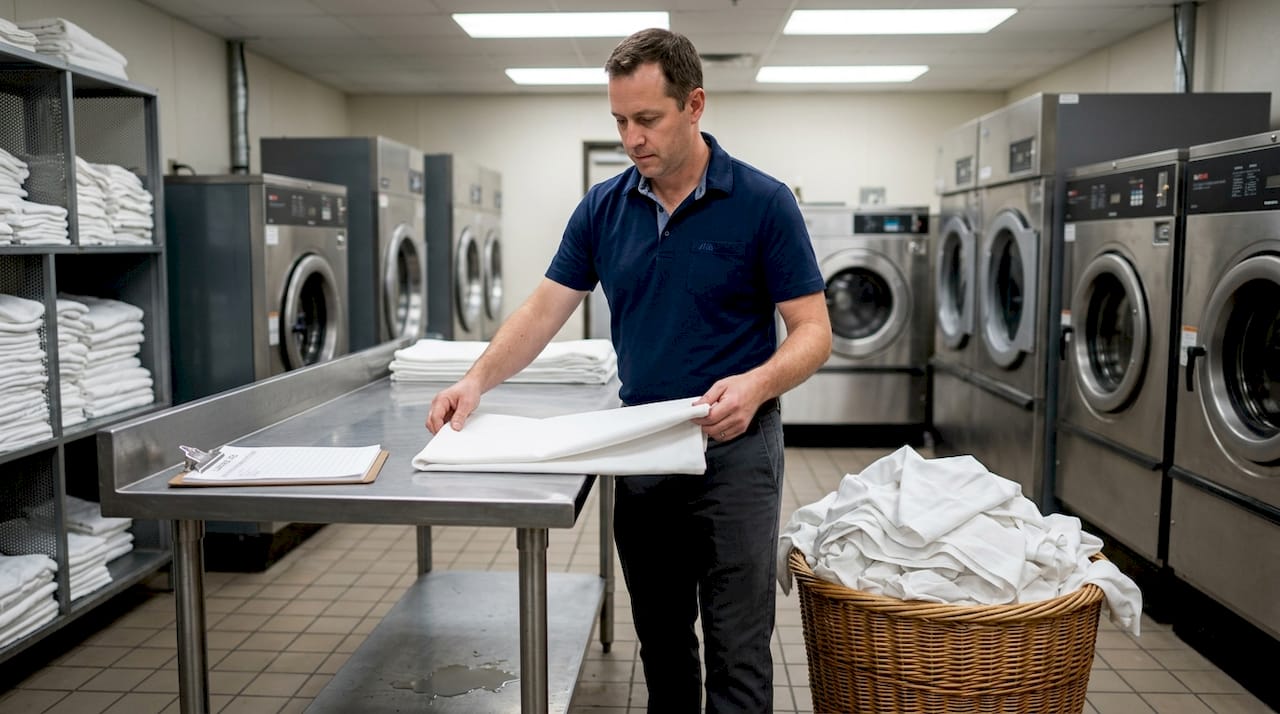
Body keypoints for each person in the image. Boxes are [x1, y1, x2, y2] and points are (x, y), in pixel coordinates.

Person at [426, 27, 831, 713]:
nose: (632, 137)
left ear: (694, 105)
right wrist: (476, 379)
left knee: (739, 650)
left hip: (736, 452)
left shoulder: (762, 203)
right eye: (620, 121)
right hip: (644, 453)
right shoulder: (603, 209)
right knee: (664, 645)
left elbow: (814, 331)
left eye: (647, 119)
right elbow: (543, 310)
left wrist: (757, 383)